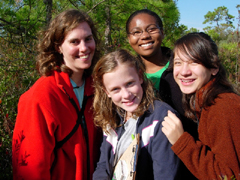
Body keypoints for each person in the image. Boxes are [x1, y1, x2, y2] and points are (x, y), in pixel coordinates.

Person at [12, 9, 102, 180]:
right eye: (74, 41)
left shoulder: (97, 88)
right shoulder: (42, 96)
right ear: (58, 46)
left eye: (88, 39)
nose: (84, 48)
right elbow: (31, 168)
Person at [126, 9, 198, 179]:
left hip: (187, 161)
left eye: (151, 29)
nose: (144, 36)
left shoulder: (182, 69)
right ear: (129, 39)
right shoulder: (128, 75)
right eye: (136, 32)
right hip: (145, 164)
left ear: (162, 32)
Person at [162, 32, 240, 179]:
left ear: (214, 67)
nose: (184, 72)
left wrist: (181, 142)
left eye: (194, 62)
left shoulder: (223, 106)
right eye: (178, 63)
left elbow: (228, 175)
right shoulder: (204, 102)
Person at [92, 49, 180, 180]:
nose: (126, 95)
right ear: (106, 92)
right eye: (115, 89)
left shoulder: (161, 118)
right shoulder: (111, 118)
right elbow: (103, 165)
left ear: (140, 77)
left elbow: (166, 174)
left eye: (129, 83)